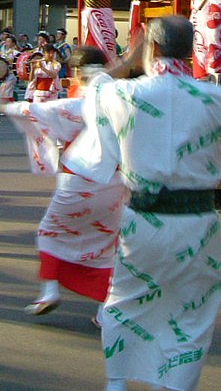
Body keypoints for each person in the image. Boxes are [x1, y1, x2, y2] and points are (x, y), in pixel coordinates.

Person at [62, 15, 221, 391]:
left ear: (152, 49)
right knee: (196, 308)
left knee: (123, 301)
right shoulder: (218, 98)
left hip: (142, 219)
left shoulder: (119, 94)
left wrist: (126, 60)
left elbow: (94, 88)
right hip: (199, 222)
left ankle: (116, 389)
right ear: (192, 51)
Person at [1, 46, 127, 324]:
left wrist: (4, 105)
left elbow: (28, 109)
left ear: (79, 73)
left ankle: (49, 291)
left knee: (51, 232)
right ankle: (105, 310)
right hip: (116, 182)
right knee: (107, 246)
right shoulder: (123, 98)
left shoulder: (78, 103)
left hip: (79, 179)